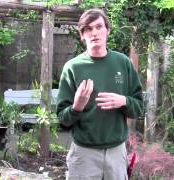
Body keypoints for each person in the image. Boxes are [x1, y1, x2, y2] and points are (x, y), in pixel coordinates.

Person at [56, 8, 144, 180]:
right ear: (82, 34)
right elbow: (62, 119)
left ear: (107, 30)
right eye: (88, 29)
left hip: (117, 152)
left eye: (98, 27)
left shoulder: (123, 63)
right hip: (83, 154)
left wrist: (124, 101)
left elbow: (139, 108)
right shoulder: (73, 67)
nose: (94, 33)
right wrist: (77, 107)